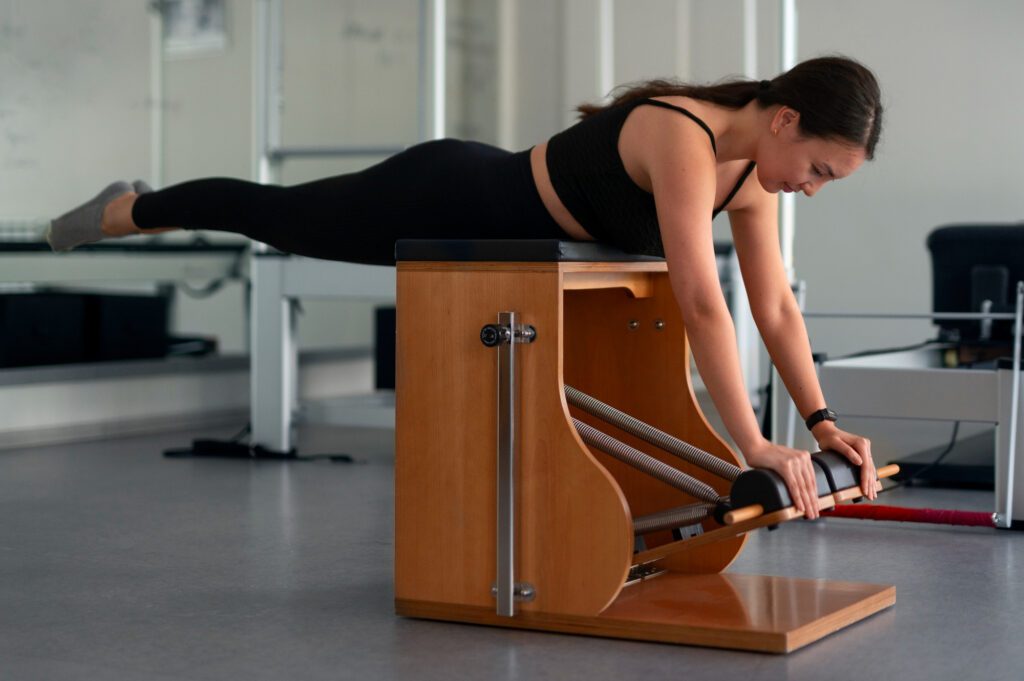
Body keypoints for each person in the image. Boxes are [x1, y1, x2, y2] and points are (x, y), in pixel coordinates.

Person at [49, 55, 882, 518]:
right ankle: (127, 209)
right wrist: (754, 445)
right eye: (817, 169)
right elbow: (704, 301)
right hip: (442, 188)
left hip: (495, 216)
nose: (811, 187)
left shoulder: (749, 180)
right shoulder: (681, 134)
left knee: (273, 214)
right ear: (783, 120)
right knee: (271, 213)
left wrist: (822, 422)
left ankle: (132, 205)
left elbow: (771, 305)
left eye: (827, 181)